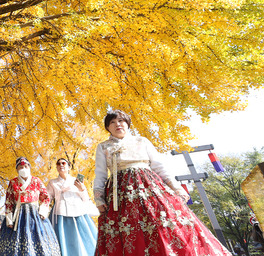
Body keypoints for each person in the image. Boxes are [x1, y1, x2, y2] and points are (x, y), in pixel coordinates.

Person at [93, 109, 232, 255]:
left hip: (149, 186)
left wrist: (176, 188)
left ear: (127, 124)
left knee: (162, 221)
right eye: (112, 123)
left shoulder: (142, 141)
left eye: (121, 121)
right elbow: (101, 173)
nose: (117, 125)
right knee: (129, 228)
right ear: (108, 128)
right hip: (120, 194)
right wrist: (99, 198)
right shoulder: (103, 146)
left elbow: (159, 167)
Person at [0, 157, 61, 256]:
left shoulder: (36, 181)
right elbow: (9, 201)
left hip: (35, 215)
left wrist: (43, 211)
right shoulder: (13, 182)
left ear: (29, 167)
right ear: (17, 169)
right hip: (18, 216)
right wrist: (9, 219)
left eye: (25, 166)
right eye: (21, 167)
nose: (23, 169)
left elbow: (46, 197)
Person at [46, 158, 97, 256]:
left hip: (78, 212)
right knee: (63, 239)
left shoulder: (75, 180)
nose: (61, 165)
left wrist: (82, 189)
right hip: (60, 214)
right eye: (58, 163)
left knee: (83, 239)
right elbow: (47, 198)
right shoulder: (52, 182)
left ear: (69, 166)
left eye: (64, 163)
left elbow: (85, 198)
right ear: (56, 167)